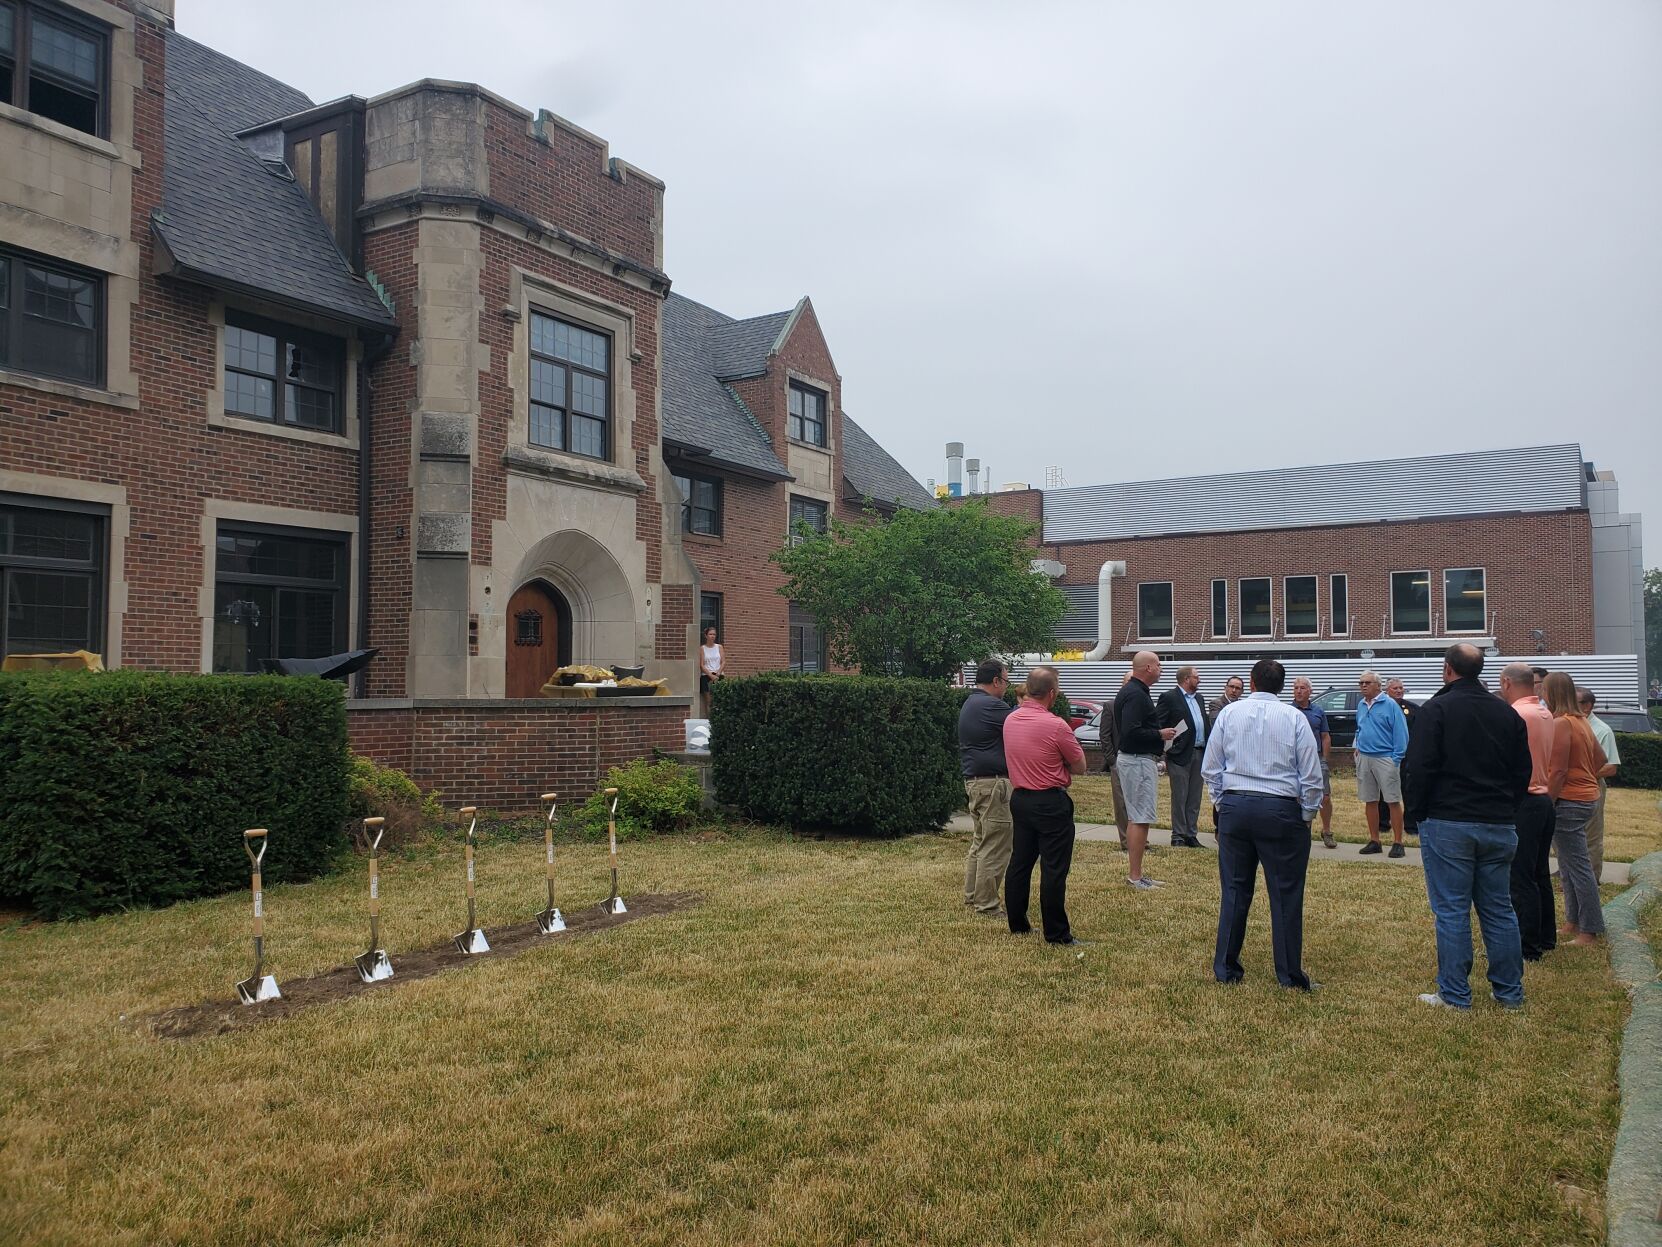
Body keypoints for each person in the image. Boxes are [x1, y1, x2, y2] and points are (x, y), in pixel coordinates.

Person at [1405, 645, 1532, 1010]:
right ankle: (1509, 993)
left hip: (1449, 821)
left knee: (1452, 909)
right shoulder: (1506, 714)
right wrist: (1509, 808)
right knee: (1498, 908)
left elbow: (1420, 767)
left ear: (1447, 670)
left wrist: (1417, 812)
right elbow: (1522, 771)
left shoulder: (1437, 709)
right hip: (1497, 821)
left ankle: (1455, 993)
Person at [1201, 658, 1325, 990]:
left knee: (1234, 890)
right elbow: (1311, 775)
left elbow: (1210, 766)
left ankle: (1226, 968)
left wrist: (1221, 800)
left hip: (1236, 805)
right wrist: (1308, 814)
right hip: (1281, 809)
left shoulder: (1229, 713)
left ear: (1252, 683)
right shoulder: (1294, 717)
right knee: (1286, 894)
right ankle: (1289, 976)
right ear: (1282, 687)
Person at [1003, 665, 1088, 944]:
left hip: (1020, 798)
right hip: (1050, 800)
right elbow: (1080, 766)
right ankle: (1057, 933)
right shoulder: (1055, 724)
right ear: (1052, 694)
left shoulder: (1011, 720)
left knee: (1020, 862)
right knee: (1054, 868)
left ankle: (1017, 923)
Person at [1544, 673, 1608, 945]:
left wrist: (1548, 803)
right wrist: (1585, 777)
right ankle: (1572, 922)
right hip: (1585, 797)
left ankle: (1589, 929)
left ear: (1553, 693)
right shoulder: (1582, 722)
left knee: (1578, 867)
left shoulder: (1561, 723)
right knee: (1569, 865)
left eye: (1544, 690)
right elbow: (1601, 759)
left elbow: (1557, 771)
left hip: (1568, 801)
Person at [1499, 662, 1558, 960]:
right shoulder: (1544, 712)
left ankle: (1527, 946)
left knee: (1520, 877)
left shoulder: (1517, 714)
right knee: (1539, 873)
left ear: (1508, 683)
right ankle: (1546, 936)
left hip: (1525, 799)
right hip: (1544, 798)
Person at [1113, 651, 1178, 889]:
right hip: (1137, 760)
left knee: (1138, 817)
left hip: (1137, 759)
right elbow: (1131, 731)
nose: (1161, 668)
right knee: (1140, 818)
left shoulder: (1135, 692)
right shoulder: (1135, 695)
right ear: (1148, 668)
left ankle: (1137, 874)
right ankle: (1135, 876)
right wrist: (1160, 734)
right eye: (1159, 664)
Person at [957, 659, 1013, 918]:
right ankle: (987, 904)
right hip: (993, 785)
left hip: (976, 782)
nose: (1006, 687)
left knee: (980, 841)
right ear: (996, 681)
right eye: (1006, 681)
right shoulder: (992, 705)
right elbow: (1021, 723)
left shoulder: (971, 702)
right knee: (996, 844)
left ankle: (972, 895)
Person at [1353, 671, 1409, 858]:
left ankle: (1398, 842)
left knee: (1392, 799)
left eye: (1367, 682)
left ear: (1378, 685)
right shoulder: (1361, 705)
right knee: (1370, 799)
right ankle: (1375, 840)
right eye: (1361, 682)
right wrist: (1357, 746)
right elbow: (1359, 728)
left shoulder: (1391, 705)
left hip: (1385, 758)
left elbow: (1401, 733)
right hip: (1365, 757)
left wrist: (1396, 758)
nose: (1363, 686)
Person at [1157, 665, 1211, 848]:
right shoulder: (1169, 697)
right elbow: (1160, 724)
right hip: (1180, 754)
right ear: (1186, 679)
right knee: (1180, 796)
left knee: (1194, 797)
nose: (1200, 680)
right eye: (1197, 677)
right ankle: (1178, 834)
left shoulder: (1200, 698)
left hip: (1199, 752)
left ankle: (1191, 834)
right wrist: (1168, 749)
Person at [1576, 687, 1621, 881]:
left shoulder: (1602, 730)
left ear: (1587, 706)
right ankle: (1568, 872)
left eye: (1575, 703)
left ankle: (1592, 877)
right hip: (1571, 787)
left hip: (1592, 787)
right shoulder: (1571, 725)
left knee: (1591, 834)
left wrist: (1582, 774)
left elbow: (1611, 768)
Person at [1291, 677, 1335, 848]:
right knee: (1297, 796)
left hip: (1316, 758)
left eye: (1302, 688)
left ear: (1310, 691)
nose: (1299, 691)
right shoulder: (1288, 710)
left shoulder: (1318, 711)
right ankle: (1299, 830)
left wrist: (1325, 759)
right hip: (1296, 759)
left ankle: (1327, 831)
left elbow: (1325, 736)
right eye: (1296, 688)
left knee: (1324, 796)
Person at [1382, 678, 1420, 837]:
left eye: (1401, 688)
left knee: (1409, 791)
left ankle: (1411, 826)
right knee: (1383, 791)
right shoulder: (1380, 708)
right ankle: (1383, 824)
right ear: (1387, 691)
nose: (1398, 690)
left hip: (1407, 757)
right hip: (1385, 756)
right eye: (1395, 688)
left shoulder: (1411, 709)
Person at [1101, 672, 1132, 851]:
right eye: (1128, 680)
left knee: (1137, 801)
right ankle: (1126, 841)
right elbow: (1104, 736)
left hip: (1138, 761)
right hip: (1118, 762)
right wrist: (1112, 760)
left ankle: (1140, 839)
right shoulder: (1111, 706)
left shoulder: (1142, 705)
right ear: (1122, 683)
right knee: (1121, 803)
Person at [698, 626, 724, 714]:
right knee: (709, 701)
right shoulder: (702, 648)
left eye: (714, 634)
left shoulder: (719, 647)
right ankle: (710, 721)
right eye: (710, 634)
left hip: (718, 675)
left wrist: (718, 673)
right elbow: (701, 665)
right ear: (706, 635)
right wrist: (711, 675)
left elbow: (723, 662)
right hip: (706, 676)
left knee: (719, 700)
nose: (712, 636)